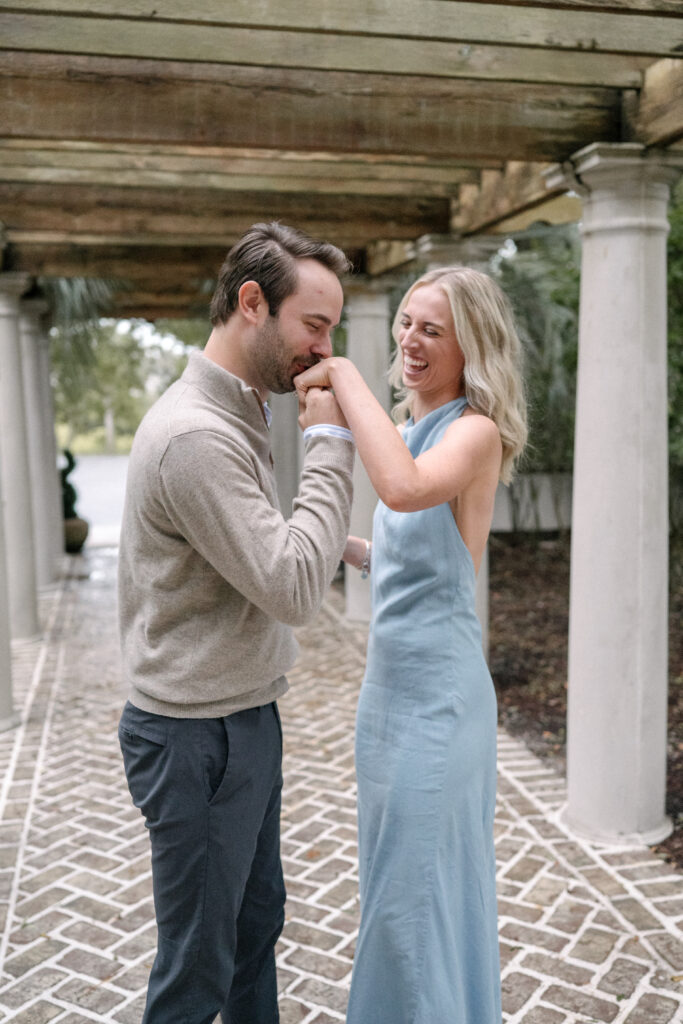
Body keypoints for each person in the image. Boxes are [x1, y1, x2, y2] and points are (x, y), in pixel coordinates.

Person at [117, 222, 355, 1024]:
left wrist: (345, 545)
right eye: (313, 326)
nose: (324, 350)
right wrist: (329, 440)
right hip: (196, 740)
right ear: (253, 303)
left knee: (254, 931)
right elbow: (288, 586)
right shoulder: (194, 434)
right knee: (197, 970)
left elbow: (259, 544)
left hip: (243, 719)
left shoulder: (237, 409)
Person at [295, 265, 527, 1024]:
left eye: (431, 330)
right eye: (405, 322)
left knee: (418, 904)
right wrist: (339, 545)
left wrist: (342, 376)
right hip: (384, 702)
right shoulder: (405, 433)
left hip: (439, 703)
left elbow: (401, 489)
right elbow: (404, 545)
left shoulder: (473, 433)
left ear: (470, 348)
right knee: (392, 894)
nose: (409, 341)